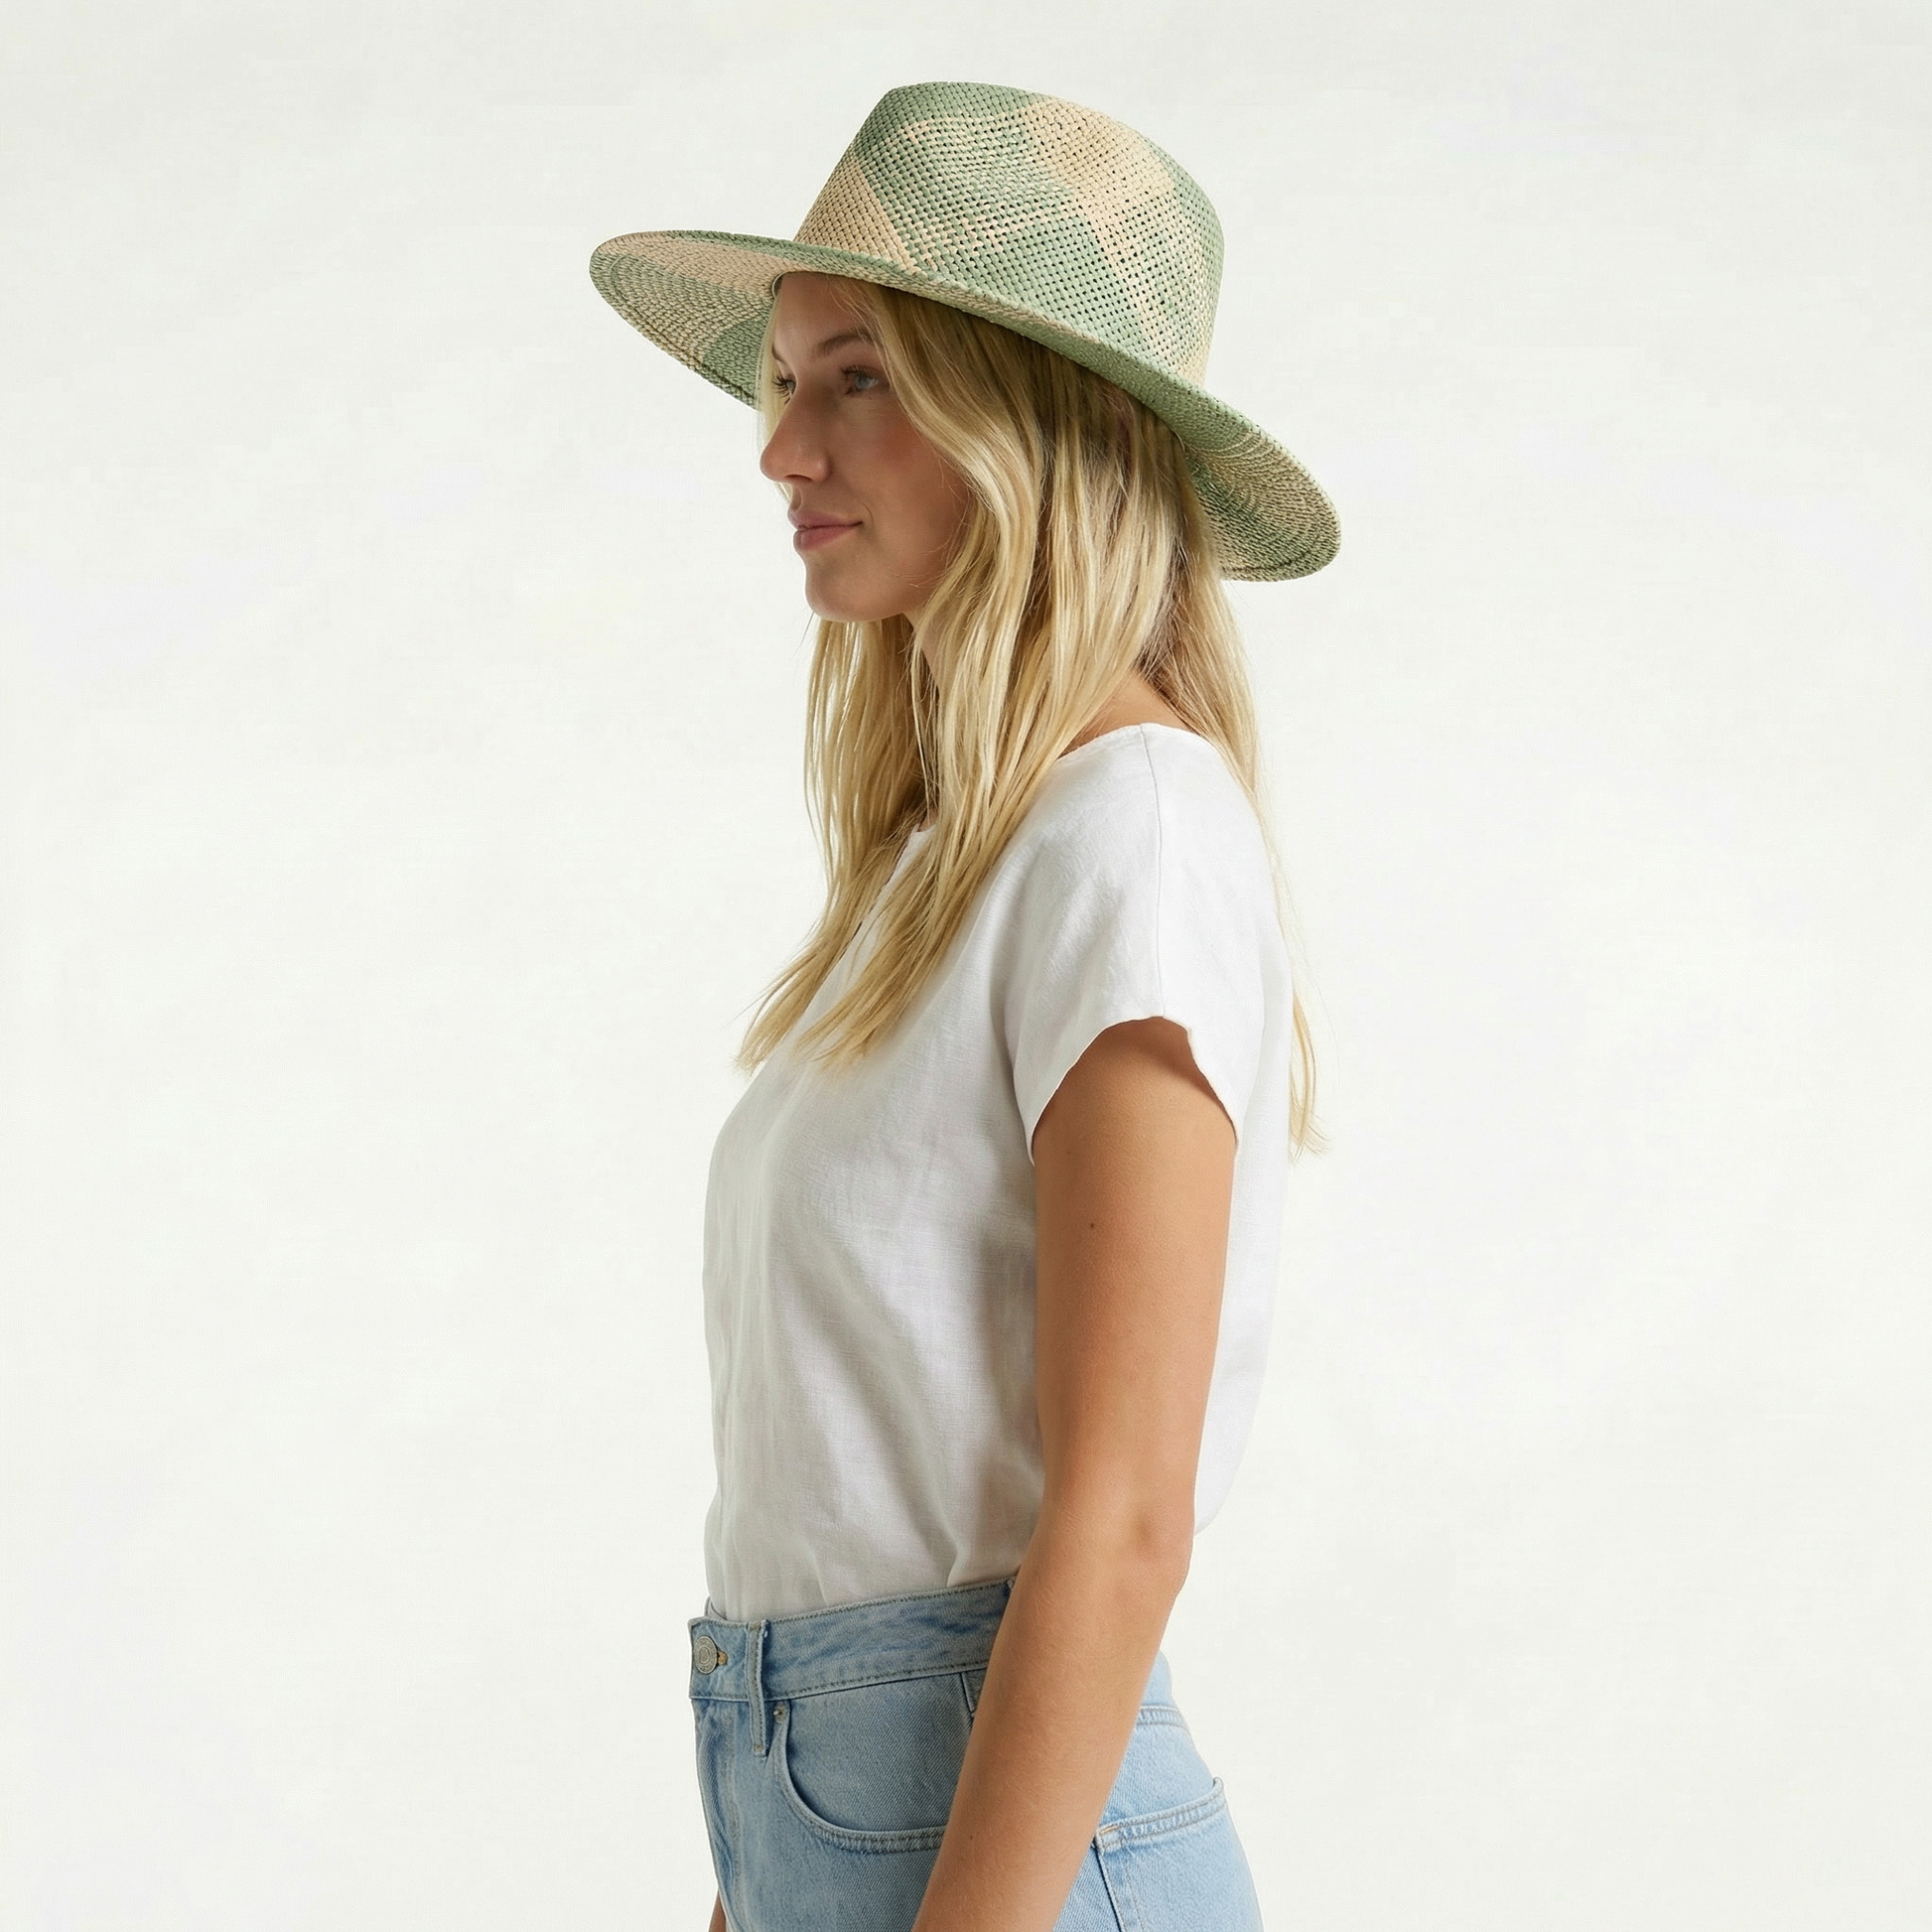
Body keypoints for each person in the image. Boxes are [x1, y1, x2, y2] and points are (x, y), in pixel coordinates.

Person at [589, 80, 1338, 1932]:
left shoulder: (1131, 833)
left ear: (1041, 418)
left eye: (858, 378)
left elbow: (1122, 1515)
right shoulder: (954, 864)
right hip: (837, 1825)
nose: (782, 450)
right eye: (783, 383)